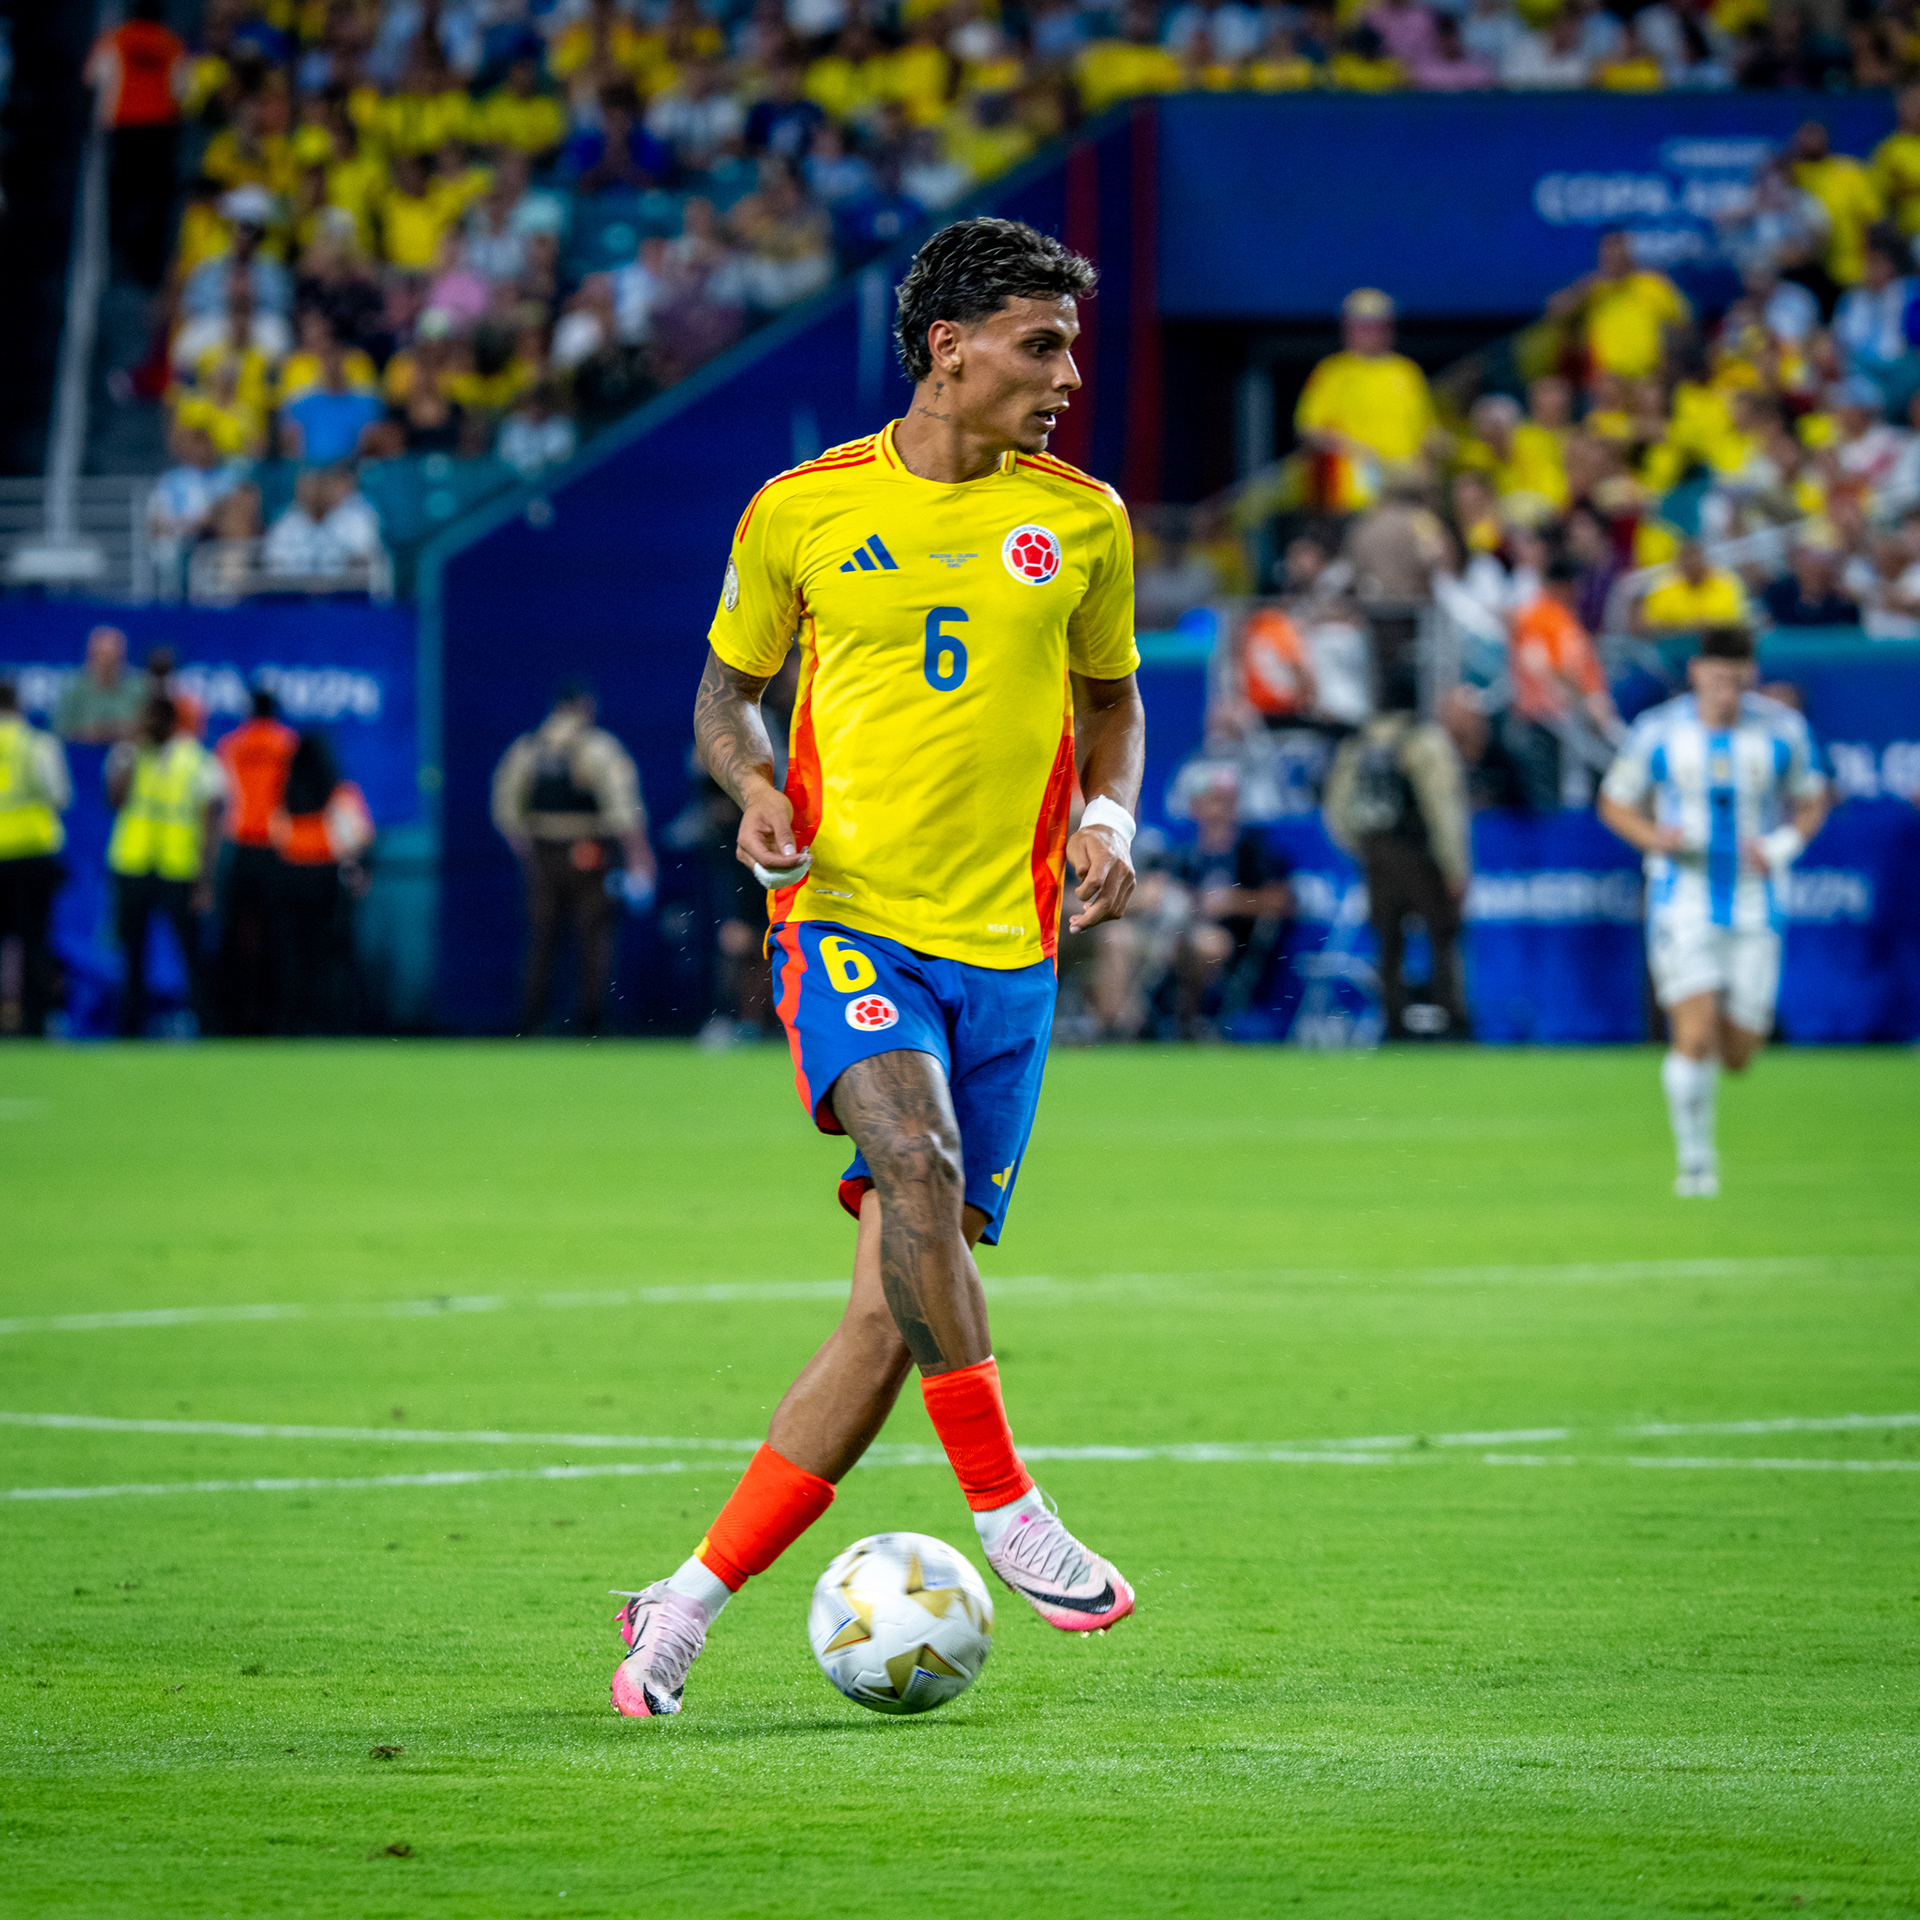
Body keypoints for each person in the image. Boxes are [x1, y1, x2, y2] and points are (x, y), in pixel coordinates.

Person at [612, 216, 1145, 1721]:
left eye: (1070, 346)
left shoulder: (1084, 521)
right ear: (948, 349)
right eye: (1041, 345)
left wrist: (1108, 816)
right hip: (846, 915)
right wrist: (753, 786)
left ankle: (686, 1599)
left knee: (886, 1316)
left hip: (1012, 950)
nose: (1065, 374)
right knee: (912, 1162)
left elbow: (1113, 706)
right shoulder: (801, 510)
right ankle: (1007, 1508)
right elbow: (728, 697)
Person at [1598, 627, 1831, 1196]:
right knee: (1693, 1031)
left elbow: (1812, 796)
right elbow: (1613, 801)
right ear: (1697, 672)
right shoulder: (1659, 731)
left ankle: (1704, 1128)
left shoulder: (1781, 731)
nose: (1726, 691)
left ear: (1749, 677)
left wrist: (1781, 847)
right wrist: (1657, 839)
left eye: (1737, 679)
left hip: (1755, 902)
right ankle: (1696, 1164)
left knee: (1739, 1053)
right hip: (1683, 897)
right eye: (1717, 678)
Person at [491, 679, 656, 1037]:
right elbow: (623, 810)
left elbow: (506, 811)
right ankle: (590, 1021)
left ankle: (532, 1020)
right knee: (594, 936)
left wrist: (531, 855)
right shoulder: (597, 748)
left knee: (541, 939)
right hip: (590, 852)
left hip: (543, 853)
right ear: (585, 706)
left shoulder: (528, 749)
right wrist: (639, 856)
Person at [1323, 680, 1472, 1040]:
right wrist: (1455, 865)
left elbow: (1336, 808)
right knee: (1442, 936)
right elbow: (1443, 807)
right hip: (1419, 850)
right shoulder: (1423, 740)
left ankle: (1394, 1023)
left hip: (1376, 851)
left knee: (1388, 942)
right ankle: (1451, 1020)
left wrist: (1363, 848)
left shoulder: (1359, 743)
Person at [105, 696, 225, 1039]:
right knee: (131, 955)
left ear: (173, 723)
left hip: (179, 869)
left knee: (192, 955)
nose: (149, 726)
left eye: (156, 719)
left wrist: (206, 881)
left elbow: (211, 824)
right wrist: (128, 753)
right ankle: (129, 1032)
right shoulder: (128, 754)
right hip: (133, 865)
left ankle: (209, 1028)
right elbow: (115, 799)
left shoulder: (196, 760)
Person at [1294, 288, 1440, 514]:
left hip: (1406, 490)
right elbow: (1310, 429)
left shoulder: (1407, 372)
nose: (1370, 332)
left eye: (1378, 324)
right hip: (1355, 496)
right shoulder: (1332, 372)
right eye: (1362, 324)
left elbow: (1426, 430)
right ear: (1347, 327)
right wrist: (1356, 451)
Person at [269, 731, 374, 1035]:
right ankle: (329, 1022)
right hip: (327, 881)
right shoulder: (340, 792)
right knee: (329, 955)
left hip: (288, 877)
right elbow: (359, 836)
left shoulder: (285, 792)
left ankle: (291, 1023)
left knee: (291, 955)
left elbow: (276, 834)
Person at [84, 0, 189, 288]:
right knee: (152, 198)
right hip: (158, 129)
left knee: (120, 196)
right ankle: (146, 264)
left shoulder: (115, 38)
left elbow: (93, 79)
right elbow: (181, 89)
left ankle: (117, 257)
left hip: (124, 126)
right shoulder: (170, 43)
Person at [214, 686, 297, 1035]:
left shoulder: (230, 745)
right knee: (277, 935)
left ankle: (233, 1018)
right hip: (277, 847)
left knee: (236, 936)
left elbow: (220, 798)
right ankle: (274, 1016)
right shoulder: (288, 744)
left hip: (241, 847)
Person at [0, 682, 73, 1039]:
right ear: (20, 702)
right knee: (35, 942)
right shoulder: (37, 744)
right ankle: (34, 1023)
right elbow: (60, 795)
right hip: (32, 853)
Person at [54, 626, 147, 744]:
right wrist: (88, 732)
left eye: (113, 658)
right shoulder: (73, 689)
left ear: (122, 658)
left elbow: (149, 728)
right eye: (102, 656)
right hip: (80, 754)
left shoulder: (139, 688)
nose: (107, 664)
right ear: (90, 657)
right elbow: (58, 730)